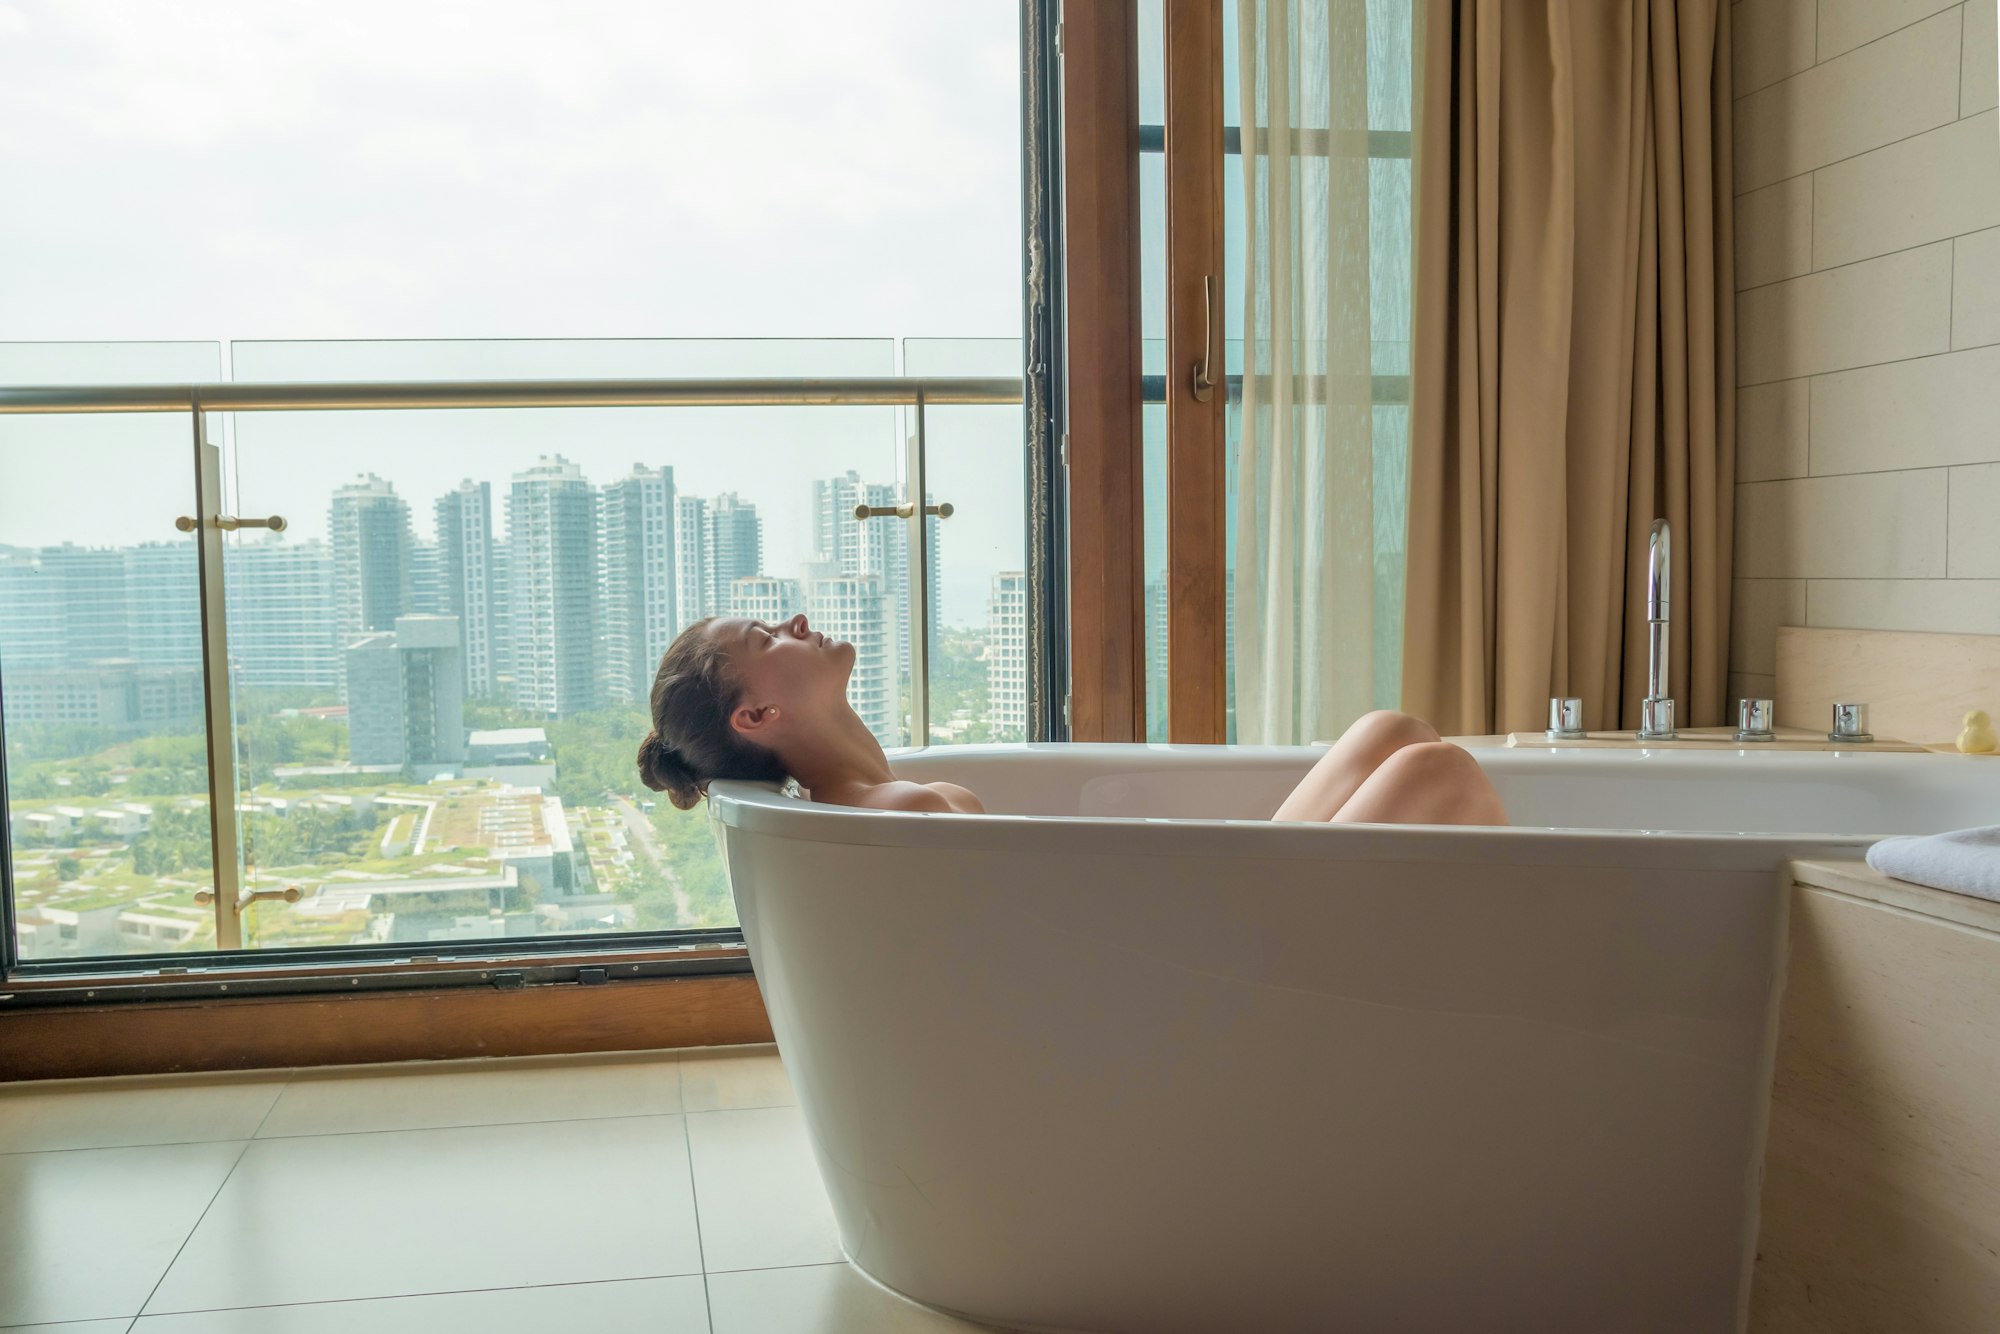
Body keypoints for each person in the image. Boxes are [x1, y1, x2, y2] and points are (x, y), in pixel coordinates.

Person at [637, 613, 1507, 826]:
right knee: (1439, 773)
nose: (792, 621)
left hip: (1199, 919)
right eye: (764, 635)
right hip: (1195, 966)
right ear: (758, 712)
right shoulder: (891, 814)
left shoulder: (885, 795)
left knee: (1391, 731)